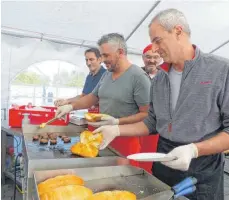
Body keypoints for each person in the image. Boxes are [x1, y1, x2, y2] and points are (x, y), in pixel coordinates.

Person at [92, 9, 229, 200]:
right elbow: (151, 122)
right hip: (163, 159)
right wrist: (116, 130)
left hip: (202, 167)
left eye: (157, 40)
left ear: (178, 31)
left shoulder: (221, 70)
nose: (154, 49)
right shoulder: (160, 79)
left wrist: (194, 150)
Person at [55, 33, 151, 166]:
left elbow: (146, 115)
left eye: (106, 55)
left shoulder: (139, 77)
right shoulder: (106, 75)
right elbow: (91, 98)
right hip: (102, 139)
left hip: (126, 143)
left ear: (120, 52)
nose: (103, 59)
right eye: (101, 55)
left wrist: (117, 122)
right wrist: (71, 106)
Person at [139, 44, 163, 173]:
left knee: (152, 157)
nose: (152, 60)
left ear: (160, 58)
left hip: (157, 126)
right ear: (143, 58)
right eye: (148, 57)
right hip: (137, 123)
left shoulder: (166, 75)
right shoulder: (137, 74)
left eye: (156, 57)